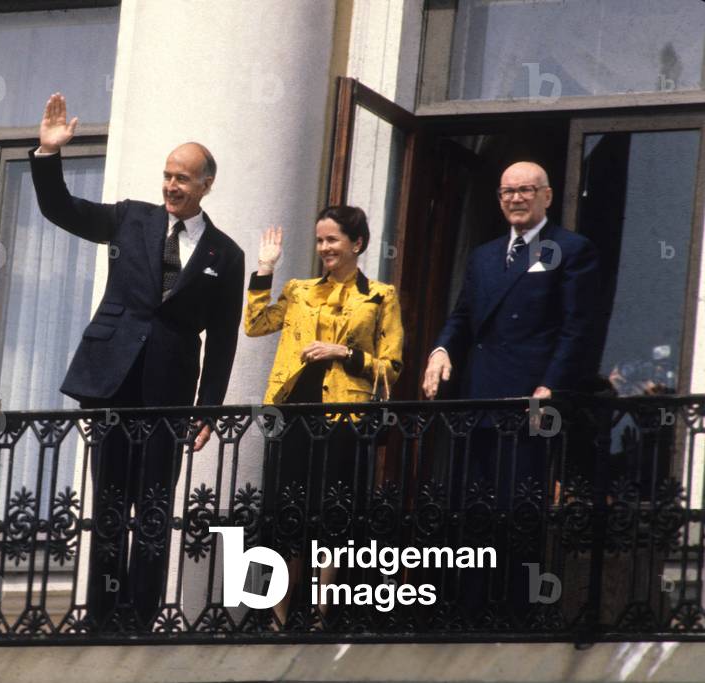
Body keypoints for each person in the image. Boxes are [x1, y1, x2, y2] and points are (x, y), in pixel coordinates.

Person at [30, 93, 245, 628]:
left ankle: (140, 619)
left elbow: (221, 340)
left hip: (169, 393)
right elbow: (62, 210)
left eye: (183, 179)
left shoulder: (227, 253)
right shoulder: (131, 219)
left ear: (206, 185)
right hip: (110, 381)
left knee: (152, 508)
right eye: (168, 175)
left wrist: (207, 409)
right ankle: (103, 617)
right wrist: (48, 154)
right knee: (108, 504)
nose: (172, 185)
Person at [421, 161, 600, 617]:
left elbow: (577, 330)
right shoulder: (483, 256)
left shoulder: (570, 249)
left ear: (547, 196)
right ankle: (471, 610)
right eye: (507, 192)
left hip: (531, 405)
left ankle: (521, 613)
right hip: (479, 400)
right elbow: (462, 318)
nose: (515, 199)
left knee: (521, 512)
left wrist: (550, 387)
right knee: (474, 511)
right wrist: (441, 350)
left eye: (525, 190)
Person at [245, 205, 404, 624]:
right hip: (294, 412)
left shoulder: (379, 296)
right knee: (287, 514)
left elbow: (392, 368)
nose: (324, 248)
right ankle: (277, 618)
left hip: (345, 417)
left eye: (332, 239)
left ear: (358, 243)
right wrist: (265, 267)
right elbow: (256, 323)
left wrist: (345, 353)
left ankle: (321, 614)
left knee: (333, 514)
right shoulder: (299, 290)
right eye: (320, 240)